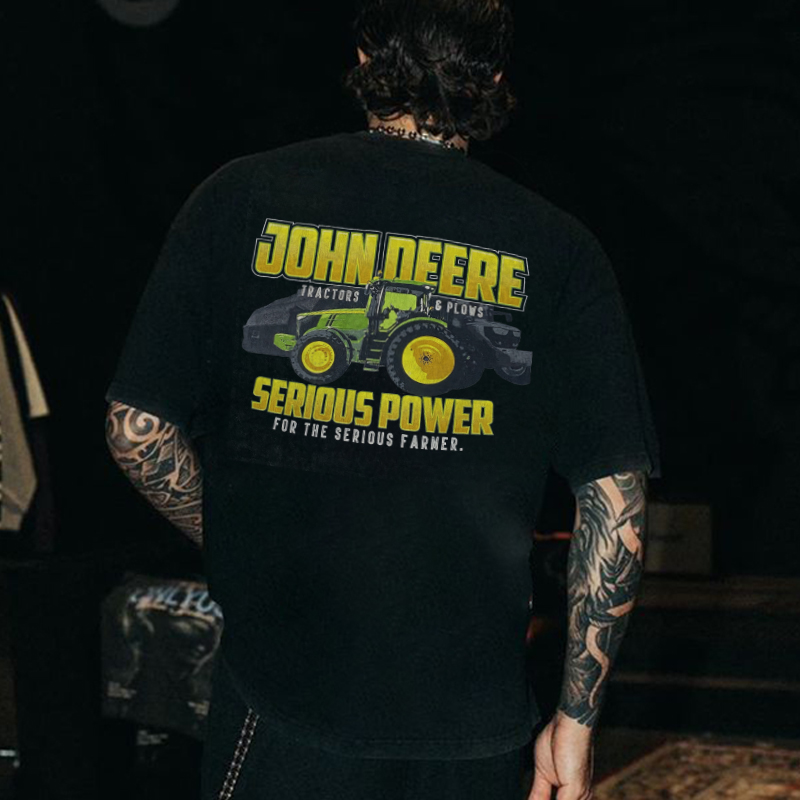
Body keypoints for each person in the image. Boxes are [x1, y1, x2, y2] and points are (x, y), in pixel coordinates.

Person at [105, 0, 659, 797]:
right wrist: (576, 719)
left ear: (365, 56)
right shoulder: (559, 247)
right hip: (472, 719)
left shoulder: (239, 196)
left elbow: (137, 428)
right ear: (494, 76)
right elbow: (614, 497)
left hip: (286, 695)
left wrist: (240, 538)